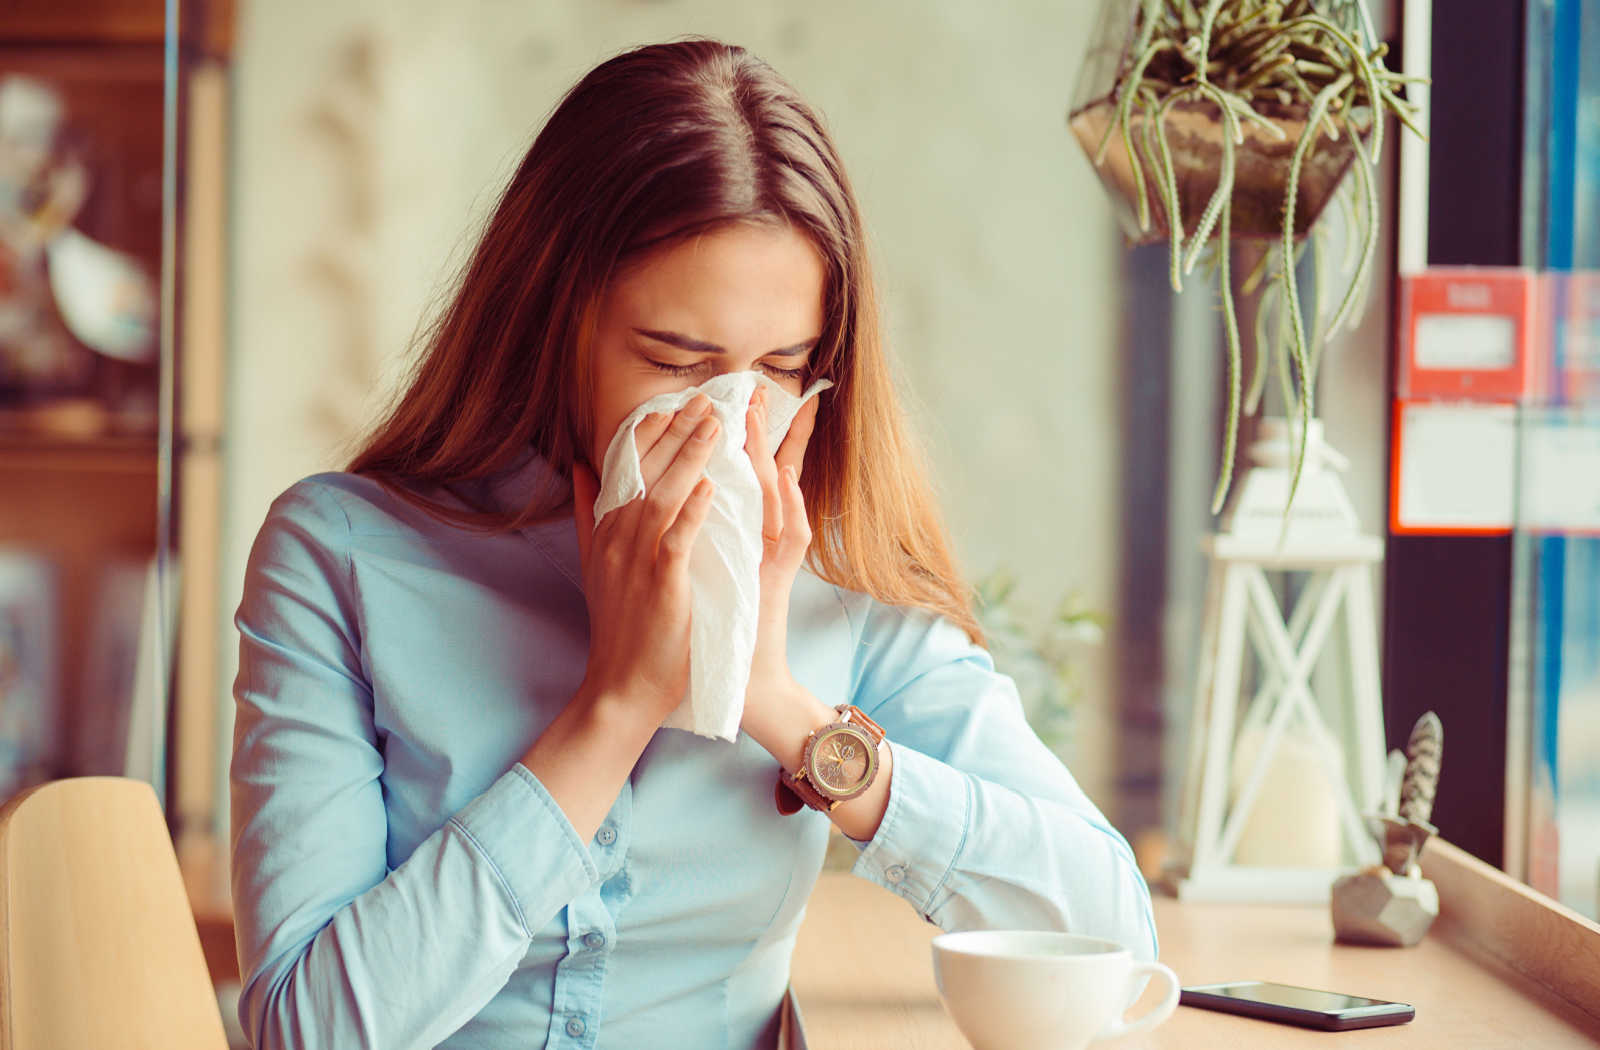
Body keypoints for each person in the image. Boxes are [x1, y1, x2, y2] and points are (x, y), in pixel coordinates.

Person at [229, 36, 1158, 1050]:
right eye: (678, 363)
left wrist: (774, 701)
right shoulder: (344, 556)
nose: (728, 420)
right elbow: (303, 1031)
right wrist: (614, 707)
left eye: (780, 366)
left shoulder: (840, 582)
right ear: (553, 324)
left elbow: (1111, 936)